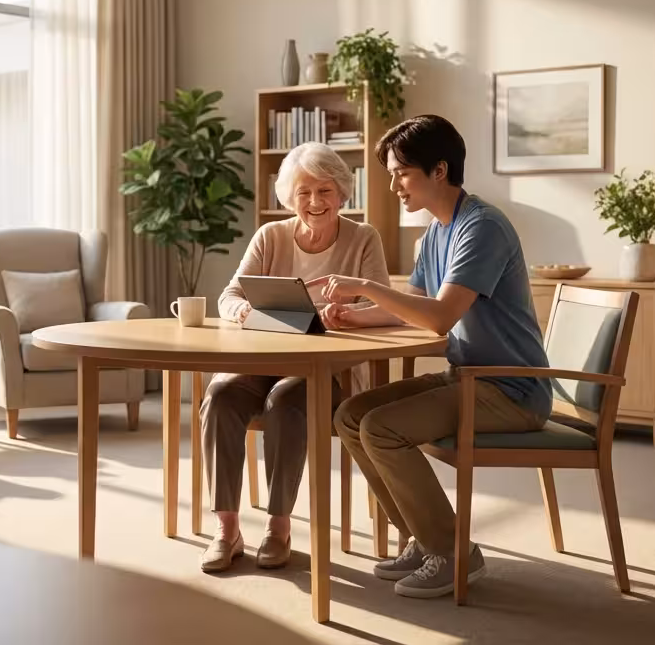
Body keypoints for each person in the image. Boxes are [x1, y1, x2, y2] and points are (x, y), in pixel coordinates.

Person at [308, 114, 551, 599]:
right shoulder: (435, 232)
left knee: (383, 427)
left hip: (511, 388)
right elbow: (409, 312)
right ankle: (429, 537)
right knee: (351, 415)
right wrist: (357, 316)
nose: (395, 185)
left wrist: (366, 287)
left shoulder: (481, 228)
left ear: (439, 170)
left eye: (401, 173)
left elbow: (439, 318)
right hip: (468, 375)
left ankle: (452, 550)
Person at [199, 142, 389, 573]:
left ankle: (278, 525)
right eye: (304, 192)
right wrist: (242, 310)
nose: (315, 202)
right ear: (289, 196)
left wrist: (349, 316)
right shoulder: (271, 236)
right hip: (264, 360)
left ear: (342, 193)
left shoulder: (364, 238)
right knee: (221, 393)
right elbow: (229, 295)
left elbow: (388, 307)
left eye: (324, 191)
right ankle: (226, 529)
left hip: (328, 371)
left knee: (287, 401)